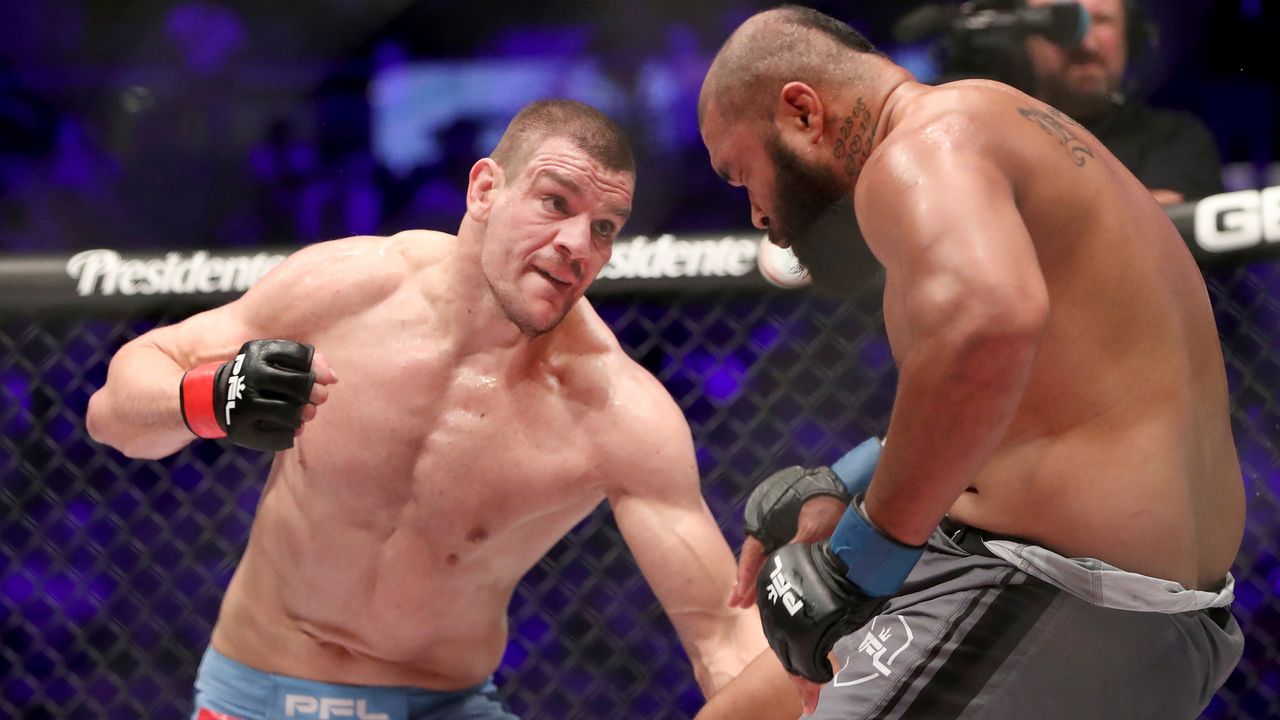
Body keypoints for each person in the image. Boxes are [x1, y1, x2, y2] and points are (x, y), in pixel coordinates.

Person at [85, 99, 764, 720]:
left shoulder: (614, 410)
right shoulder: (348, 290)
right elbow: (111, 415)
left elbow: (721, 633)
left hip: (443, 707)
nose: (578, 244)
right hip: (256, 694)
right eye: (556, 202)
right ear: (485, 189)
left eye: (605, 228)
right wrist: (207, 397)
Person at [694, 6, 1244, 719]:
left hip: (1059, 591)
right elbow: (1030, 396)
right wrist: (844, 482)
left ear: (803, 113)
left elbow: (988, 324)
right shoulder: (995, 125)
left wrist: (855, 566)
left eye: (743, 176)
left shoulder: (920, 148)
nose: (758, 215)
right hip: (1095, 593)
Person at [1024, 0, 1224, 205]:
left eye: (1101, 20)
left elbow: (1159, 218)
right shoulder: (1004, 134)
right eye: (1062, 20)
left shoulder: (1175, 138)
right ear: (1024, 39)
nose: (1086, 44)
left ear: (1131, 38)